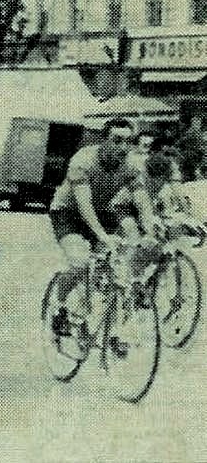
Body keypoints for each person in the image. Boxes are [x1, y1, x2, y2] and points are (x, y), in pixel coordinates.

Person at [48, 118, 157, 336]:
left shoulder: (131, 165)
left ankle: (105, 320)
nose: (123, 148)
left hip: (101, 211)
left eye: (128, 142)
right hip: (68, 213)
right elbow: (83, 204)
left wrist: (150, 234)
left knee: (118, 263)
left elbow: (142, 202)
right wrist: (102, 236)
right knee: (80, 263)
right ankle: (58, 308)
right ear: (103, 141)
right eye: (117, 141)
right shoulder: (84, 160)